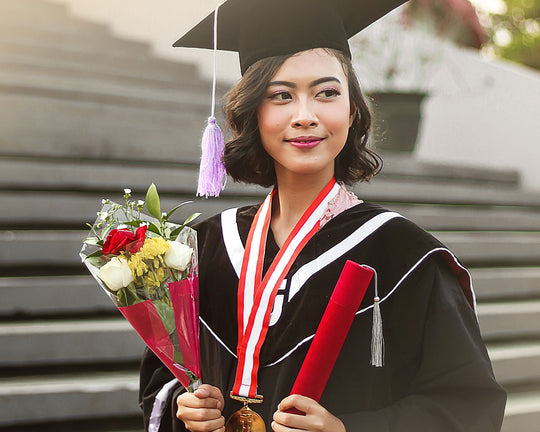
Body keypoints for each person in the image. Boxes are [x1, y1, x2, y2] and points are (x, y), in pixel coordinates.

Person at [140, 1, 506, 431]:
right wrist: (185, 409)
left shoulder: (405, 255)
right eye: (281, 95)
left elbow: (468, 406)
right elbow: (161, 381)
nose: (305, 116)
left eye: (327, 93)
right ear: (254, 113)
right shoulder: (204, 247)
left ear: (352, 111)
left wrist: (347, 430)